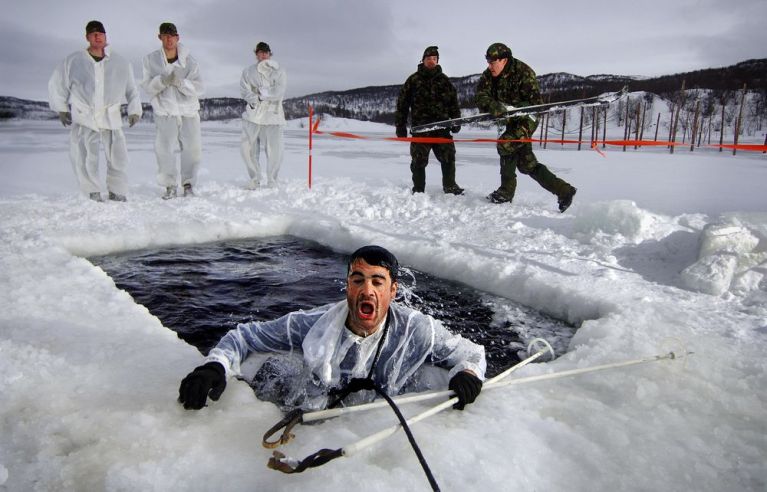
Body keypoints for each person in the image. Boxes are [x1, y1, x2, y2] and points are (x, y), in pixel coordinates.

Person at [178, 245, 486, 412]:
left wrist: (467, 374)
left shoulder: (416, 330)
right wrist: (215, 366)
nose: (367, 290)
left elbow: (470, 353)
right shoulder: (315, 324)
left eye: (377, 281)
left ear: (393, 291)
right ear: (347, 287)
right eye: (358, 280)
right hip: (320, 411)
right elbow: (245, 336)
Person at [475, 43, 577, 212]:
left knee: (505, 144)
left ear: (504, 60)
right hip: (508, 119)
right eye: (488, 61)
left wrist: (514, 108)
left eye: (493, 62)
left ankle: (506, 192)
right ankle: (564, 190)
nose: (490, 66)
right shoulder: (488, 75)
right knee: (526, 163)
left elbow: (536, 105)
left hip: (527, 118)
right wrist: (492, 105)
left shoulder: (523, 72)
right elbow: (480, 96)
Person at [48, 20, 142, 202]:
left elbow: (132, 89)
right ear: (87, 37)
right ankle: (91, 190)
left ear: (106, 36)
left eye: (100, 32)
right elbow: (58, 84)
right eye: (93, 33)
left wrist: (135, 110)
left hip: (111, 115)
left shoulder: (120, 62)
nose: (97, 35)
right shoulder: (73, 60)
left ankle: (117, 190)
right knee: (84, 155)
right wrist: (61, 108)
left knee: (118, 155)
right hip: (85, 116)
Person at [141, 22, 204, 199]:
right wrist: (162, 80)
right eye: (166, 35)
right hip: (165, 112)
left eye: (172, 35)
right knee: (164, 149)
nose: (169, 39)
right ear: (160, 37)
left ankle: (188, 184)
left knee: (192, 149)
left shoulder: (190, 62)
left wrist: (180, 83)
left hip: (188, 112)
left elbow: (199, 88)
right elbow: (147, 87)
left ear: (178, 37)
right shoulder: (150, 60)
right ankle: (170, 186)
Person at [395, 46, 464, 195]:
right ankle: (418, 189)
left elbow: (453, 102)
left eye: (434, 59)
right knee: (418, 161)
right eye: (429, 59)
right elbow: (402, 104)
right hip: (421, 129)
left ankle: (450, 186)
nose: (432, 61)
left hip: (442, 128)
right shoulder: (413, 80)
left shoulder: (444, 80)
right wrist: (400, 125)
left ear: (438, 60)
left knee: (448, 157)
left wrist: (456, 121)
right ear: (423, 60)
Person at [240, 41, 287, 189]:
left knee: (275, 150)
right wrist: (256, 98)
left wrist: (262, 92)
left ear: (269, 54)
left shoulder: (279, 71)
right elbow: (245, 90)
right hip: (253, 115)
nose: (263, 55)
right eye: (260, 52)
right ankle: (255, 178)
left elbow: (279, 91)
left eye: (265, 52)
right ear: (256, 54)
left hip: (273, 115)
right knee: (248, 148)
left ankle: (272, 179)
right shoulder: (248, 71)